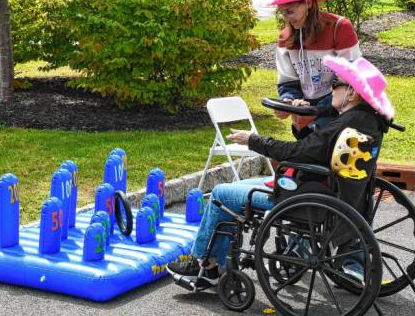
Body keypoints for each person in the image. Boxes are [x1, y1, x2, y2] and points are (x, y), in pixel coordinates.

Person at [167, 56, 394, 282]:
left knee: (220, 195)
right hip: (332, 195)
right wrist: (300, 122)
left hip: (303, 196)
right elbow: (315, 149)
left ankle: (206, 266)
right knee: (237, 187)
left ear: (352, 93)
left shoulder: (344, 124)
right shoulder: (367, 122)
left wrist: (253, 140)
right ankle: (218, 259)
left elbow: (297, 153)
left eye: (336, 83)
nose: (331, 88)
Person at [261, 0, 362, 138]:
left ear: (308, 3)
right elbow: (288, 82)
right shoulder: (285, 38)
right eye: (282, 13)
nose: (286, 19)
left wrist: (314, 111)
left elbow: (350, 81)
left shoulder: (339, 28)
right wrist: (288, 102)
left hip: (340, 113)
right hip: (306, 113)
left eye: (290, 12)